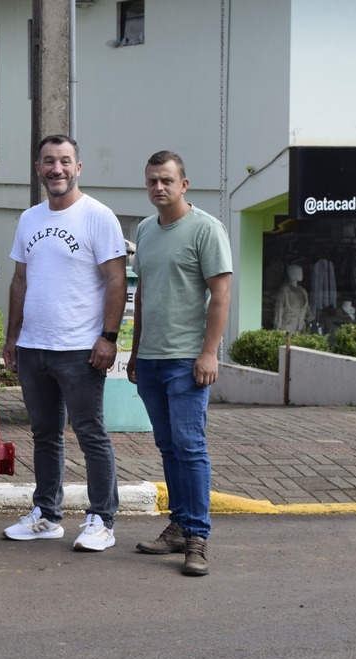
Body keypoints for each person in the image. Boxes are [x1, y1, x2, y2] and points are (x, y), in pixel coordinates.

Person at [1, 134, 127, 551]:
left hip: (80, 348)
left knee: (90, 432)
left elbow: (116, 280)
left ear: (78, 167)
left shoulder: (98, 216)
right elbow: (20, 280)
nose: (57, 169)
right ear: (38, 168)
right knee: (45, 434)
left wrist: (109, 337)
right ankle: (47, 515)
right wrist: (13, 336)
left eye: (65, 161)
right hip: (35, 347)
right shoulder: (29, 219)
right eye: (48, 161)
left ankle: (102, 519)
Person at [127, 150, 232, 576]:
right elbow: (144, 296)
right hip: (151, 360)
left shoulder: (206, 229)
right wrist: (134, 352)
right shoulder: (146, 230)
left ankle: (197, 538)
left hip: (188, 361)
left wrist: (210, 352)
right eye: (152, 180)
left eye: (167, 180)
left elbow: (221, 295)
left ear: (183, 184)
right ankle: (178, 526)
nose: (159, 187)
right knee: (168, 446)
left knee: (190, 447)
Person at [273, 263, 313, 333]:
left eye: (301, 271)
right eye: (298, 271)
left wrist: (311, 318)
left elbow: (306, 308)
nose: (301, 274)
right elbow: (279, 310)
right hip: (287, 328)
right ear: (291, 273)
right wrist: (277, 327)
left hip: (301, 329)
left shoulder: (303, 291)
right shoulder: (284, 291)